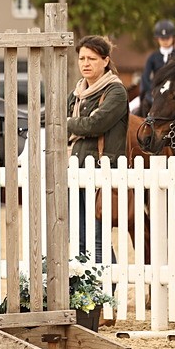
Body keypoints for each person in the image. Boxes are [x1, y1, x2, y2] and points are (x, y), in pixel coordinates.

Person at [67, 35, 128, 263]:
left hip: (100, 174)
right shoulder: (76, 94)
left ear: (105, 60)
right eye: (82, 58)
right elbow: (54, 122)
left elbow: (96, 124)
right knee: (80, 241)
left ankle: (106, 293)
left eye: (92, 58)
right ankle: (88, 297)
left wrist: (66, 123)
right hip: (75, 172)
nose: (85, 63)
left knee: (98, 239)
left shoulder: (115, 92)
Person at [138, 20, 175, 116]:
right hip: (155, 91)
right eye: (162, 39)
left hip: (174, 92)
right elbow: (145, 77)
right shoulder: (153, 57)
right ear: (157, 39)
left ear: (173, 38)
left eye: (168, 38)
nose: (165, 41)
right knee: (139, 105)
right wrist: (152, 91)